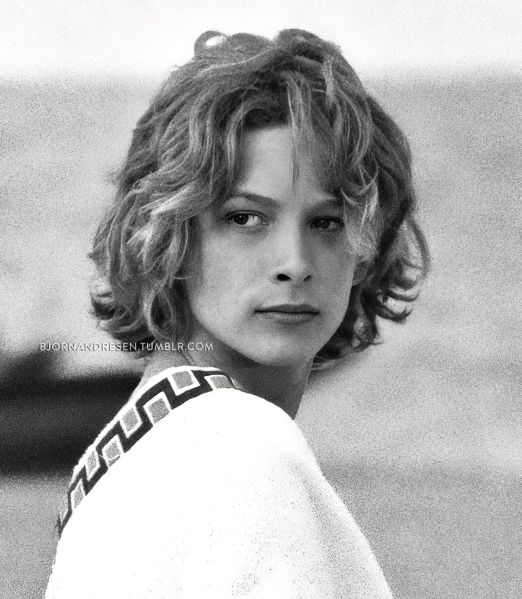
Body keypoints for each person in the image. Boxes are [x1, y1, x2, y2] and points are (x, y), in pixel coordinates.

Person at [46, 29, 429, 598]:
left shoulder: (124, 455)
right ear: (169, 236)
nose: (294, 263)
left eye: (327, 222)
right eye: (245, 218)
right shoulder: (244, 449)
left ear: (367, 247)